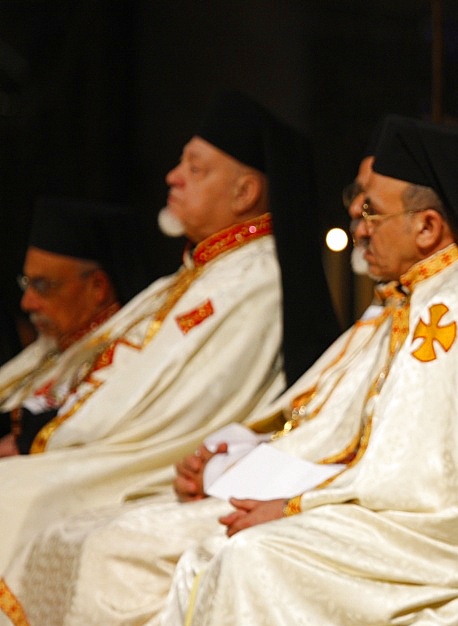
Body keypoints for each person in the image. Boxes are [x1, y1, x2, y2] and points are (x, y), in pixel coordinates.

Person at [0, 117, 458, 626]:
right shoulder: (407, 300)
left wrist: (290, 507)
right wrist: (238, 468)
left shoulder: (455, 311)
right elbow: (327, 424)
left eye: (372, 213)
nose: (358, 228)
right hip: (364, 502)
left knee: (241, 561)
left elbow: (429, 477)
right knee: (130, 540)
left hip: (439, 526)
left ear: (427, 226)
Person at [0, 91, 340, 573]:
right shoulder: (201, 271)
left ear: (244, 193)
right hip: (107, 449)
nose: (172, 177)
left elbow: (187, 410)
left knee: (11, 502)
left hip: (150, 467)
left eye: (196, 169)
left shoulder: (257, 282)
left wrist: (45, 436)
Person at [0, 197, 154, 457]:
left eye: (42, 286)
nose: (27, 303)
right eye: (26, 283)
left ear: (98, 288)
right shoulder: (47, 349)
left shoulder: (128, 353)